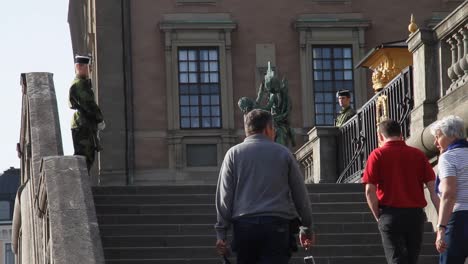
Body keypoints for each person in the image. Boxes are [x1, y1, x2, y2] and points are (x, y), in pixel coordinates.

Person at [215, 109, 315, 264]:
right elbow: (300, 195)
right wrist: (306, 227)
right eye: (273, 128)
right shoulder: (284, 153)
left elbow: (224, 197)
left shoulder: (233, 154)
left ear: (247, 129)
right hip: (277, 226)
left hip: (244, 227)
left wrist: (221, 233)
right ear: (268, 128)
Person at [362, 119, 439, 264]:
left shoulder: (377, 155)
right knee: (412, 259)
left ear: (380, 136)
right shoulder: (418, 154)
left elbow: (369, 191)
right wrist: (441, 220)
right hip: (415, 215)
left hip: (390, 214)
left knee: (396, 259)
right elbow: (433, 188)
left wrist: (378, 215)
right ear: (401, 134)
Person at [430, 115, 468, 264]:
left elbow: (448, 194)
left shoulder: (448, 157)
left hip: (459, 219)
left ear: (452, 136)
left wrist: (441, 228)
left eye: (438, 137)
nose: (435, 142)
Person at [69, 55, 105, 172]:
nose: (90, 70)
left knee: (86, 158)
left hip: (84, 124)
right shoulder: (80, 84)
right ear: (79, 66)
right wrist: (99, 119)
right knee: (84, 158)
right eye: (88, 67)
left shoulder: (82, 83)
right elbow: (89, 104)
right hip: (83, 124)